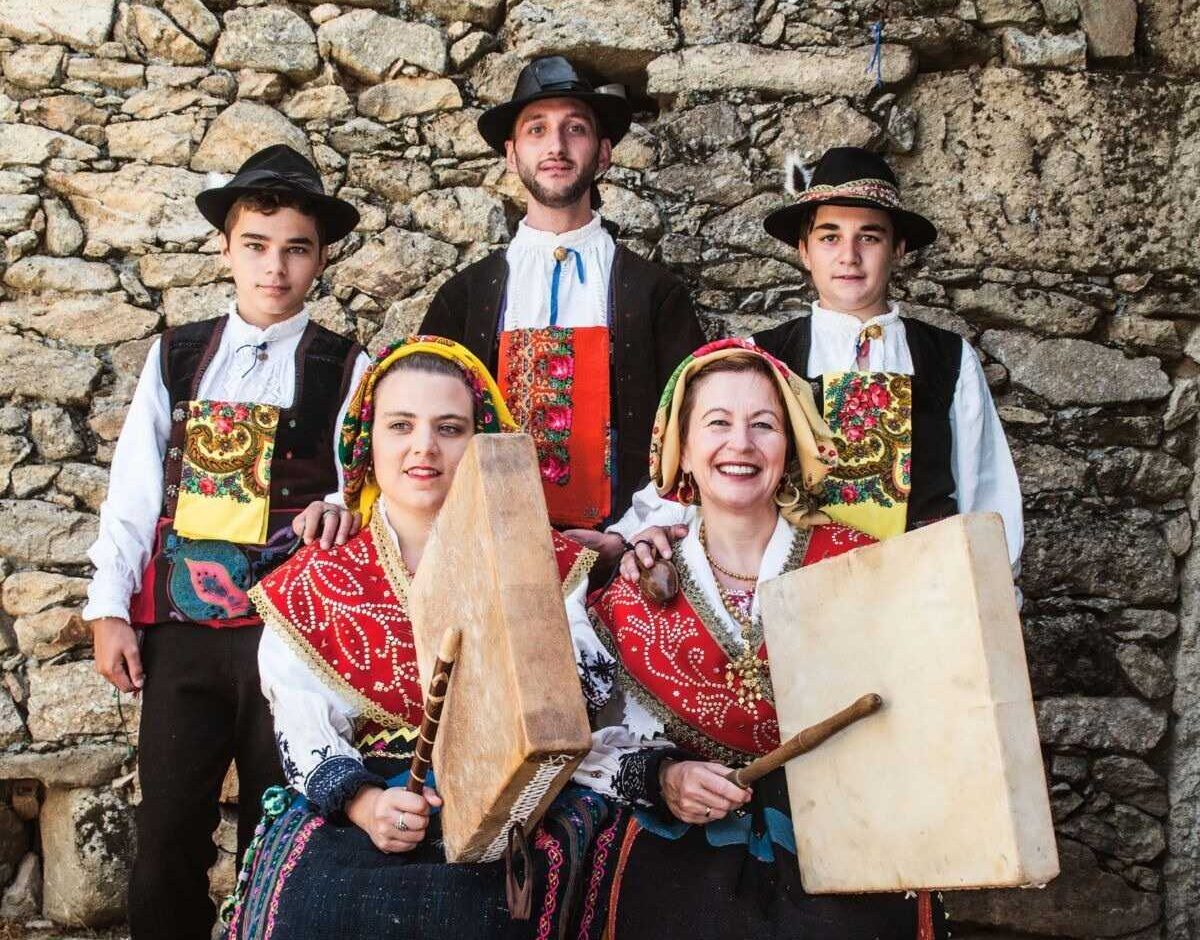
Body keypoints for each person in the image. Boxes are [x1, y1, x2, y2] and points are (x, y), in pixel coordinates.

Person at [83, 144, 370, 940]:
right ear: (226, 247)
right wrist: (110, 607)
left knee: (279, 830)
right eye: (256, 245)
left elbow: (366, 487)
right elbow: (136, 489)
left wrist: (342, 507)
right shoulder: (177, 354)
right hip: (181, 636)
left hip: (290, 639)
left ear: (320, 259)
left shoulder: (347, 366)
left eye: (295, 249)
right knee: (169, 830)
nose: (274, 267)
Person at [568, 339, 946, 939]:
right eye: (717, 423)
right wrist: (664, 781)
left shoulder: (859, 568)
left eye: (763, 425)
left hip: (844, 836)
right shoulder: (624, 601)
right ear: (682, 451)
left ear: (790, 449)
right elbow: (577, 745)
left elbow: (927, 711)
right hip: (684, 844)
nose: (740, 444)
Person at [223, 337, 598, 939]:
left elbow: (579, 693)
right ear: (366, 443)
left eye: (450, 428)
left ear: (482, 442)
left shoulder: (541, 564)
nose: (424, 447)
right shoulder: (316, 580)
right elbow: (302, 722)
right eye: (401, 425)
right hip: (366, 801)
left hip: (517, 802)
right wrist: (365, 804)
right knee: (326, 907)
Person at [612, 146, 1021, 580]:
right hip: (797, 594)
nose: (849, 255)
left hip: (925, 589)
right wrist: (630, 535)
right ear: (805, 251)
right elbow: (708, 459)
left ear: (898, 248)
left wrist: (992, 600)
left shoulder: (948, 358)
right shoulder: (761, 358)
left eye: (869, 236)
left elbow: (987, 496)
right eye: (830, 237)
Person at [420, 55, 705, 551]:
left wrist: (626, 536)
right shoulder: (465, 298)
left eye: (575, 128)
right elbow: (417, 425)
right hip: (486, 552)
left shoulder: (654, 294)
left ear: (603, 154)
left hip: (623, 559)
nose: (555, 146)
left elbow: (696, 429)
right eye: (537, 130)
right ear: (512, 154)